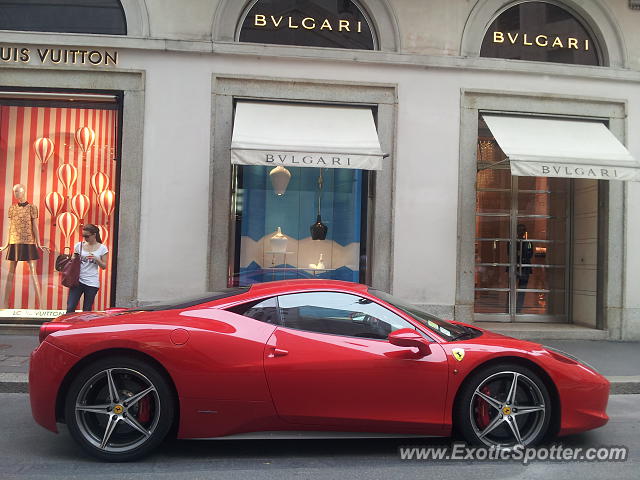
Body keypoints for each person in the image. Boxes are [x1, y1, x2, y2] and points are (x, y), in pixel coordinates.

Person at [0, 184, 49, 308]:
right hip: (14, 241)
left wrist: (38, 243)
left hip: (28, 242)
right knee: (11, 272)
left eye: (18, 191)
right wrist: (6, 244)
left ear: (23, 191)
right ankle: (5, 306)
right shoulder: (12, 208)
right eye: (14, 192)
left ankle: (41, 306)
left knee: (33, 273)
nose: (16, 194)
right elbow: (10, 227)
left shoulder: (32, 207)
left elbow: (35, 227)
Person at [66, 224, 108, 313]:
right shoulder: (79, 246)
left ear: (94, 235)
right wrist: (75, 258)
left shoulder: (102, 248)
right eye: (83, 236)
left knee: (87, 310)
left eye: (87, 236)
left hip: (92, 282)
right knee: (70, 307)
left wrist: (96, 259)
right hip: (77, 280)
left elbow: (104, 266)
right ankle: (69, 326)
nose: (85, 238)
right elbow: (73, 259)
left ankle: (83, 326)